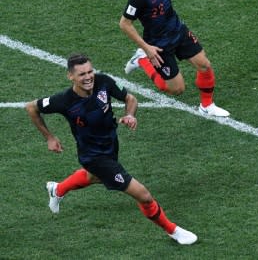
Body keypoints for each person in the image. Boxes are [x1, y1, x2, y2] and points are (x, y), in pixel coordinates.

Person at [26, 53, 197, 245]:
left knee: (92, 177)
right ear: (71, 76)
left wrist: (130, 115)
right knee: (144, 196)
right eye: (82, 74)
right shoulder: (63, 100)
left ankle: (57, 189)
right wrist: (49, 137)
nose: (88, 77)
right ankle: (173, 231)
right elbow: (31, 107)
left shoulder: (104, 82)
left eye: (90, 71)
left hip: (110, 146)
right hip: (93, 157)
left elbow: (130, 98)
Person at [119, 0, 229, 117]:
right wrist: (147, 48)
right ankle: (142, 60)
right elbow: (125, 23)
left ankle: (207, 106)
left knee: (204, 65)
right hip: (158, 44)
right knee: (176, 89)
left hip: (178, 30)